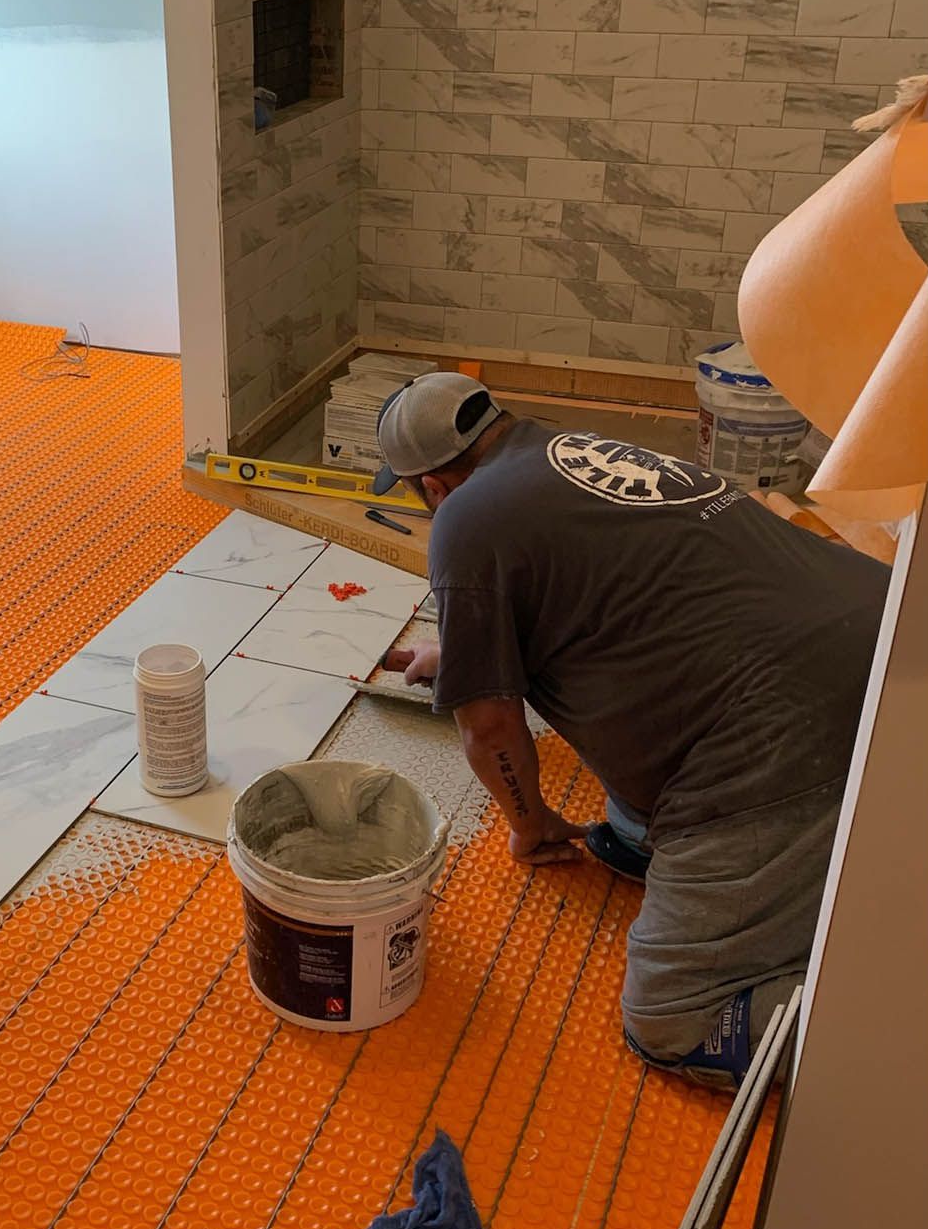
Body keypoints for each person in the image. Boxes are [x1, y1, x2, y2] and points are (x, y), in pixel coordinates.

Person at [376, 370, 888, 1085]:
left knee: (674, 1020)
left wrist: (531, 823)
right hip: (889, 649)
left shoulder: (463, 519)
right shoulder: (577, 449)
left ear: (432, 487)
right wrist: (462, 652)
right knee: (628, 832)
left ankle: (900, 998)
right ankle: (865, 841)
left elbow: (491, 729)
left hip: (788, 737)